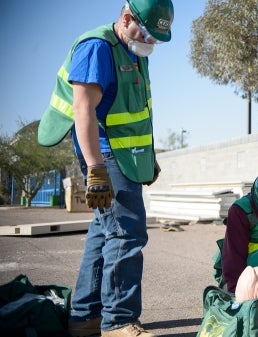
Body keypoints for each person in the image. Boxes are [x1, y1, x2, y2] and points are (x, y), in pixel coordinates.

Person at [37, 1, 174, 336]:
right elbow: (83, 111)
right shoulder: (97, 47)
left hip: (126, 154)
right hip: (104, 153)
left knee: (104, 233)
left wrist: (147, 156)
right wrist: (96, 169)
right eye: (147, 33)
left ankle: (85, 318)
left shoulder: (134, 52)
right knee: (126, 232)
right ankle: (119, 321)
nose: (151, 41)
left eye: (157, 37)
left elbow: (135, 112)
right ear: (126, 18)